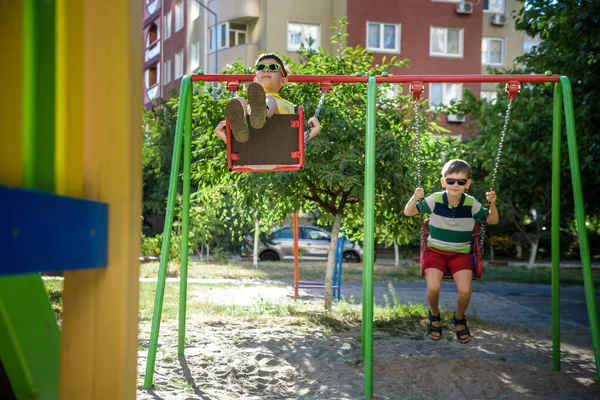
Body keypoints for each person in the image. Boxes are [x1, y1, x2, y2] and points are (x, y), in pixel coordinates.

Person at [404, 159, 498, 344]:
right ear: (443, 182)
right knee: (433, 287)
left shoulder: (471, 204)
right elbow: (408, 212)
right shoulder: (434, 200)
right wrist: (415, 198)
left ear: (467, 184)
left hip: (460, 253)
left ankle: (459, 318)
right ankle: (434, 315)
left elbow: (492, 220)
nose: (455, 185)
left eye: (461, 181)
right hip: (435, 252)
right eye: (451, 180)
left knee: (465, 290)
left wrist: (492, 204)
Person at [214, 53, 321, 143]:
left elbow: (295, 141)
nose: (266, 70)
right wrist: (223, 133)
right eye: (261, 68)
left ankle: (262, 115)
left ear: (283, 81)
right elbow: (233, 145)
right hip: (251, 150)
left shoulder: (286, 105)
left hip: (278, 147)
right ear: (255, 80)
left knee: (270, 100)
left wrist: (314, 130)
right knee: (239, 101)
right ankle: (248, 125)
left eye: (273, 67)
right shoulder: (250, 106)